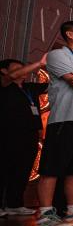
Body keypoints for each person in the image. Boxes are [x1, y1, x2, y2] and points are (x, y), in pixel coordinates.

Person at [34, 21, 73, 226]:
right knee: (51, 168)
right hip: (64, 118)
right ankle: (45, 213)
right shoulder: (58, 55)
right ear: (70, 34)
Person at [0, 55, 48, 216]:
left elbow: (53, 86)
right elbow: (11, 76)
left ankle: (15, 204)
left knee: (23, 169)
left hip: (30, 136)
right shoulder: (5, 84)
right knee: (4, 168)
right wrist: (39, 63)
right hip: (7, 135)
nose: (23, 71)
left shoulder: (29, 88)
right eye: (18, 68)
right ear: (4, 71)